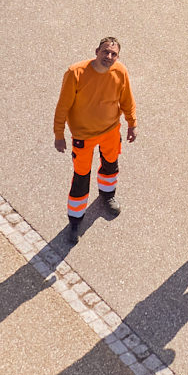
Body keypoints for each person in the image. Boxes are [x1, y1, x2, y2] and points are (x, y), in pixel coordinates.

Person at [53, 36, 138, 243]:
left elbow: (127, 99)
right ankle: (75, 220)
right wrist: (59, 134)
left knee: (111, 166)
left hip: (110, 131)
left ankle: (107, 196)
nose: (109, 57)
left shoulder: (120, 71)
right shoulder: (76, 73)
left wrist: (132, 123)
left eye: (114, 54)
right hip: (83, 136)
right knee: (81, 177)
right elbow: (63, 105)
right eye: (105, 52)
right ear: (96, 51)